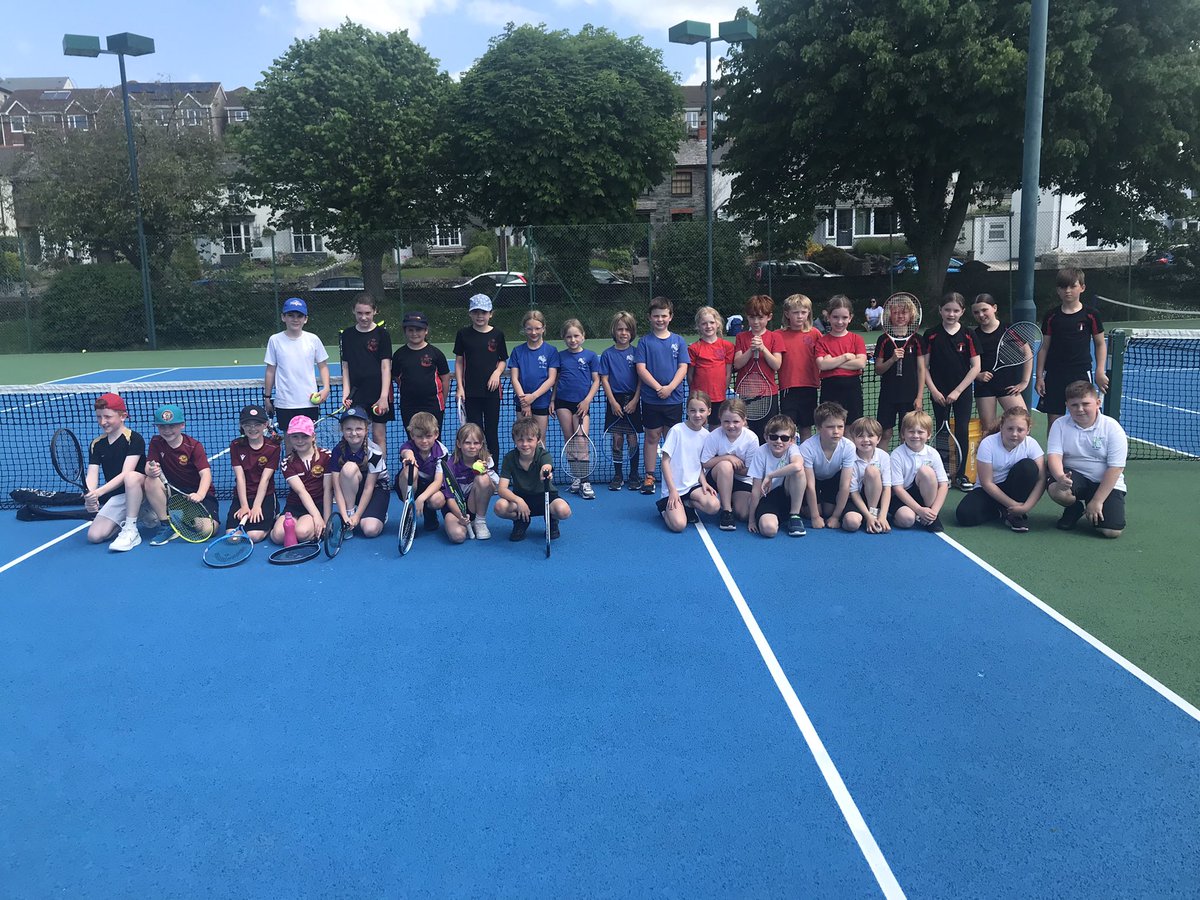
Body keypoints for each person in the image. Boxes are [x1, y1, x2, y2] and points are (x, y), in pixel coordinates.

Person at [1045, 380, 1127, 539]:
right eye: (1074, 405)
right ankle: (1074, 509)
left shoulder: (1112, 428)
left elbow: (1116, 468)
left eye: (1085, 404)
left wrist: (1097, 501)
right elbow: (1054, 456)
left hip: (1104, 483)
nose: (1080, 409)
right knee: (1058, 491)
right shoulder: (1059, 425)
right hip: (1075, 477)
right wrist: (1060, 477)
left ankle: (1094, 505)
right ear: (1067, 405)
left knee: (1111, 532)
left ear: (1098, 403)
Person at [1035, 268, 1107, 431]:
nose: (1067, 291)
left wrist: (1100, 371)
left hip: (1080, 372)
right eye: (1063, 287)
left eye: (1072, 286)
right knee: (1054, 423)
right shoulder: (1051, 316)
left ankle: (1086, 455)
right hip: (1054, 374)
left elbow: (1100, 344)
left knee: (1087, 418)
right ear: (1058, 290)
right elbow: (1044, 347)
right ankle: (1055, 456)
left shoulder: (1091, 315)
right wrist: (1039, 377)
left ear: (1082, 287)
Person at [923, 292, 981, 491]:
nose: (951, 314)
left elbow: (976, 367)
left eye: (956, 310)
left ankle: (962, 474)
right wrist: (934, 390)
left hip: (962, 392)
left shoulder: (968, 334)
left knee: (962, 430)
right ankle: (944, 474)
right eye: (947, 309)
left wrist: (957, 391)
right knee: (941, 430)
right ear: (940, 310)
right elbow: (924, 367)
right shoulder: (931, 334)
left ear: (962, 312)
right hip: (938, 392)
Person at [955, 406, 1045, 531]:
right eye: (1010, 429)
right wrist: (1012, 504)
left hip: (1014, 489)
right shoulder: (988, 443)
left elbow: (1041, 479)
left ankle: (1015, 515)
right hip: (989, 490)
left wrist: (1026, 507)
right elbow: (987, 483)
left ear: (1028, 430)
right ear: (1002, 426)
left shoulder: (1031, 444)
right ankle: (1002, 511)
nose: (1014, 434)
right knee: (964, 515)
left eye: (1020, 430)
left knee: (1028, 467)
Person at [634, 297, 689, 494]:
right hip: (651, 399)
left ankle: (672, 474)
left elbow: (683, 367)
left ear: (670, 317)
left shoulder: (679, 341)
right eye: (656, 316)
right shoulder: (644, 342)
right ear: (650, 317)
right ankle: (649, 475)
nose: (660, 319)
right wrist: (659, 388)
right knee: (652, 436)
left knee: (672, 437)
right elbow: (641, 369)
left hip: (674, 399)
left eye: (664, 316)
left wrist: (670, 388)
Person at [144, 403, 218, 546]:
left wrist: (200, 495)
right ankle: (167, 525)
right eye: (162, 427)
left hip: (197, 496)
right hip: (173, 493)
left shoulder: (193, 446)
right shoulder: (156, 442)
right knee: (150, 479)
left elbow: (206, 474)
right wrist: (150, 470)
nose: (167, 431)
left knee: (208, 530)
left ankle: (180, 516)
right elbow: (149, 465)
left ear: (182, 425)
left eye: (172, 426)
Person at [84, 392, 146, 551]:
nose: (102, 422)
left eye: (107, 416)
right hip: (119, 497)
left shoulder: (134, 439)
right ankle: (128, 520)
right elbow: (92, 474)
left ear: (123, 416)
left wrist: (99, 492)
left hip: (141, 492)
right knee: (94, 536)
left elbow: (126, 473)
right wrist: (90, 494)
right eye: (99, 417)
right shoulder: (96, 444)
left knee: (131, 477)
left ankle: (135, 524)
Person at [495, 417, 572, 542]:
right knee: (500, 507)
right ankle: (522, 521)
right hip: (522, 498)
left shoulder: (543, 455)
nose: (525, 444)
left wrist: (545, 472)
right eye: (520, 440)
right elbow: (502, 489)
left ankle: (552, 521)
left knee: (563, 511)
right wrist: (519, 501)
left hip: (545, 497)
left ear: (537, 440)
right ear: (514, 440)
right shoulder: (509, 458)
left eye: (529, 440)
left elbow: (546, 466)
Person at [454, 293, 508, 465]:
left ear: (490, 314)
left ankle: (493, 471)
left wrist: (497, 373)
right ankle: (476, 468)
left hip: (492, 393)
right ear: (470, 313)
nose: (480, 316)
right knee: (475, 434)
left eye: (484, 312)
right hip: (471, 392)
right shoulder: (463, 334)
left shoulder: (498, 335)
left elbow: (503, 361)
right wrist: (460, 387)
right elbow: (459, 361)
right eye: (476, 312)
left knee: (491, 432)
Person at [263, 297, 332, 433]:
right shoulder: (275, 340)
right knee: (289, 441)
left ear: (305, 319)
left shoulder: (313, 339)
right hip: (285, 403)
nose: (295, 319)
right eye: (290, 315)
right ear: (283, 317)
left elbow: (322, 365)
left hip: (309, 401)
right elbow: (271, 370)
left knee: (309, 440)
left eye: (299, 316)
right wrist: (267, 397)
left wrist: (326, 388)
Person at [657, 391, 721, 533]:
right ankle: (664, 508)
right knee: (678, 525)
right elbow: (665, 462)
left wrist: (704, 482)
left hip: (693, 487)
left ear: (709, 411)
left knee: (714, 506)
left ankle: (687, 504)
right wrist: (672, 490)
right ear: (687, 411)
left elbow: (698, 464)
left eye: (702, 410)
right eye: (693, 411)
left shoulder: (706, 436)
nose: (697, 415)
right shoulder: (676, 430)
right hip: (673, 489)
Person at [338, 293, 393, 455]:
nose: (363, 317)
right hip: (356, 394)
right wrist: (346, 393)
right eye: (359, 313)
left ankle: (381, 476)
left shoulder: (383, 335)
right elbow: (345, 366)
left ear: (375, 311)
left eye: (367, 313)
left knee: (378, 436)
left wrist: (383, 396)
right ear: (353, 312)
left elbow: (385, 367)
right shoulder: (346, 335)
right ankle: (361, 472)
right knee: (357, 437)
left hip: (377, 393)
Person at [552, 318, 601, 499]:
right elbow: (556, 381)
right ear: (564, 338)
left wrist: (587, 400)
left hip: (582, 405)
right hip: (562, 403)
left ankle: (585, 480)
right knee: (570, 441)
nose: (573, 340)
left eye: (576, 336)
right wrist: (552, 400)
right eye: (569, 337)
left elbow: (596, 380)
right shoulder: (560, 356)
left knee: (581, 440)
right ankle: (576, 477)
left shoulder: (590, 356)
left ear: (583, 336)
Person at [874, 291, 926, 452]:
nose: (900, 316)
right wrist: (892, 360)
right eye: (895, 312)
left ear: (911, 315)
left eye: (904, 312)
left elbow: (921, 369)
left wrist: (919, 397)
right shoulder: (883, 340)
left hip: (909, 396)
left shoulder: (917, 339)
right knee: (885, 432)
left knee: (908, 433)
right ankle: (880, 467)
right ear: (890, 315)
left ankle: (906, 468)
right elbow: (878, 369)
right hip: (888, 395)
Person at [971, 293, 1031, 432]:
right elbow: (968, 364)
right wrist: (977, 375)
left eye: (984, 310)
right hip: (984, 388)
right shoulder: (973, 335)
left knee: (1023, 425)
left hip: (1008, 386)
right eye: (976, 312)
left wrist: (1024, 382)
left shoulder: (1008, 330)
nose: (981, 315)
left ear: (994, 308)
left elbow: (1027, 353)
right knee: (988, 430)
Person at [598, 311, 643, 491]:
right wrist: (613, 402)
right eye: (620, 329)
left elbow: (641, 379)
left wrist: (635, 400)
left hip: (633, 399)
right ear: (614, 331)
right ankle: (618, 475)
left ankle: (634, 475)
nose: (623, 333)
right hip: (614, 400)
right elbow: (604, 380)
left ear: (632, 332)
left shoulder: (637, 352)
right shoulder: (607, 354)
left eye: (627, 329)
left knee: (633, 438)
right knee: (617, 439)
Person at [329, 405, 389, 538]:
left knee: (370, 530)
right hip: (351, 487)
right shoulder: (337, 451)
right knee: (349, 468)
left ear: (367, 430)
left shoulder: (375, 451)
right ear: (342, 430)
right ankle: (349, 516)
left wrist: (358, 516)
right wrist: (346, 516)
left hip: (376, 489)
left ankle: (377, 515)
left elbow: (369, 487)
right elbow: (337, 488)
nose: (354, 433)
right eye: (348, 429)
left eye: (359, 429)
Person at [701, 398, 761, 531]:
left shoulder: (751, 439)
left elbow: (749, 471)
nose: (731, 425)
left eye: (736, 421)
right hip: (717, 477)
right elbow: (705, 463)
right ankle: (727, 511)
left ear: (744, 420)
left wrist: (733, 467)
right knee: (725, 466)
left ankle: (731, 499)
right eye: (726, 421)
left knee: (743, 515)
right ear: (720, 419)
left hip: (742, 479)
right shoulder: (714, 436)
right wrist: (728, 458)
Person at [270, 414, 331, 544]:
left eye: (305, 436)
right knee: (278, 536)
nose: (300, 440)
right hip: (294, 506)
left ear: (313, 436)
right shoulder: (287, 463)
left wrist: (324, 519)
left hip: (317, 505)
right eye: (295, 436)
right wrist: (316, 517)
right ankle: (278, 521)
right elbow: (301, 491)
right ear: (289, 438)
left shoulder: (327, 457)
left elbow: (328, 491)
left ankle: (310, 529)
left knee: (302, 532)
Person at [731, 294, 784, 441]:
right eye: (752, 317)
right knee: (746, 435)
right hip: (746, 394)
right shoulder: (741, 337)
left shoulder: (775, 338)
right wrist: (751, 350)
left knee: (768, 435)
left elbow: (776, 364)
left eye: (760, 317)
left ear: (769, 317)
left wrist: (763, 349)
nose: (756, 322)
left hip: (768, 394)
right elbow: (737, 363)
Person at [746, 414, 807, 538]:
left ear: (792, 440)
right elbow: (756, 489)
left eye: (784, 438)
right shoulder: (761, 452)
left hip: (788, 494)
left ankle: (794, 515)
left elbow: (797, 466)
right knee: (769, 530)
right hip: (769, 497)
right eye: (774, 437)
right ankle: (779, 518)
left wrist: (770, 476)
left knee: (799, 472)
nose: (779, 441)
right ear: (766, 437)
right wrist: (751, 519)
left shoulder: (793, 449)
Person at [798, 401, 855, 530]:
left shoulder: (849, 447)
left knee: (828, 512)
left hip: (832, 479)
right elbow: (810, 485)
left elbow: (845, 485)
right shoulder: (807, 447)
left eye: (840, 427)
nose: (836, 431)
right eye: (830, 427)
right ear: (818, 428)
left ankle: (829, 507)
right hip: (814, 480)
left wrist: (835, 517)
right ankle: (802, 507)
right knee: (811, 513)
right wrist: (815, 517)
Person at [227, 404, 280, 544]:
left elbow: (265, 479)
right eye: (247, 424)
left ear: (265, 425)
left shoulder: (273, 448)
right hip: (242, 495)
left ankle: (273, 517)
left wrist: (256, 506)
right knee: (233, 538)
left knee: (254, 536)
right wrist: (244, 505)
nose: (252, 428)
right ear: (241, 425)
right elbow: (240, 477)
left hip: (265, 496)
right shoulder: (236, 445)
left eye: (257, 424)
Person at [889, 410, 948, 532]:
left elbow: (943, 485)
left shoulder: (933, 453)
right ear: (903, 434)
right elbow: (898, 489)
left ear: (929, 435)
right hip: (901, 496)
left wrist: (934, 511)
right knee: (906, 520)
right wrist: (918, 510)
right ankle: (912, 514)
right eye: (911, 431)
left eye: (920, 432)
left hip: (923, 495)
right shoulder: (896, 455)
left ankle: (931, 516)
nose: (915, 435)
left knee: (927, 471)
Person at [392, 311, 450, 433]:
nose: (414, 333)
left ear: (426, 331)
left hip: (433, 405)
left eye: (418, 330)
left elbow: (445, 378)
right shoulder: (399, 355)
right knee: (412, 440)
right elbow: (397, 378)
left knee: (433, 439)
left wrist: (442, 401)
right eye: (410, 330)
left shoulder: (436, 353)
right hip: (409, 405)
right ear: (405, 331)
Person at [774, 293, 822, 442]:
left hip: (809, 387)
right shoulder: (777, 335)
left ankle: (805, 463)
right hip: (788, 388)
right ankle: (790, 460)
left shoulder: (815, 334)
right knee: (788, 428)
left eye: (803, 312)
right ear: (787, 314)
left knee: (806, 427)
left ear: (809, 313)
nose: (800, 316)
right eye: (796, 312)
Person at [395, 410, 451, 533]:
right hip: (409, 487)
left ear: (436, 434)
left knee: (438, 500)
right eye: (419, 436)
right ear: (412, 435)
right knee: (411, 469)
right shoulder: (408, 447)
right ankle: (408, 513)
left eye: (428, 436)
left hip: (430, 487)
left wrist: (421, 499)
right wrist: (410, 457)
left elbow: (438, 482)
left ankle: (429, 513)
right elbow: (406, 452)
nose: (424, 441)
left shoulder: (442, 451)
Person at [508, 309, 559, 443]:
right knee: (523, 439)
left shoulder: (551, 351)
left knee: (539, 440)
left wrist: (533, 397)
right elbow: (514, 378)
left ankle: (541, 465)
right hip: (522, 403)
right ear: (524, 329)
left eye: (537, 328)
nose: (533, 332)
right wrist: (524, 402)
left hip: (542, 402)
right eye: (529, 329)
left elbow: (552, 379)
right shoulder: (517, 351)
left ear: (543, 328)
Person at [815, 295, 868, 424]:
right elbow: (822, 365)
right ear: (828, 317)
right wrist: (845, 357)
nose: (840, 322)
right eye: (835, 317)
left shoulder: (857, 339)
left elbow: (861, 363)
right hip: (830, 389)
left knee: (851, 428)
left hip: (852, 390)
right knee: (830, 427)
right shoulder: (822, 341)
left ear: (850, 318)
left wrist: (832, 362)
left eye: (844, 317)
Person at [442, 422, 497, 542]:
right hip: (454, 508)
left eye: (476, 443)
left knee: (483, 479)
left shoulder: (486, 460)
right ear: (459, 444)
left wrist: (485, 473)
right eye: (467, 442)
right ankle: (465, 524)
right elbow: (450, 499)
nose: (472, 446)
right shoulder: (451, 465)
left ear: (481, 444)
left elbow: (493, 488)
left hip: (473, 505)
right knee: (458, 536)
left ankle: (479, 521)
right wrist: (460, 516)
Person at [688, 306, 735, 431]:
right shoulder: (694, 348)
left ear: (717, 324)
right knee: (698, 427)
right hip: (700, 398)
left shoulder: (727, 346)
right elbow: (690, 376)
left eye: (711, 322)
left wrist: (721, 391)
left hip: (718, 397)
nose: (708, 326)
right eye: (704, 323)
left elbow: (728, 372)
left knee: (716, 429)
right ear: (698, 326)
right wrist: (696, 394)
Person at [843, 416, 892, 534]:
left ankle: (874, 514)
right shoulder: (850, 457)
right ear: (853, 439)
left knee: (872, 471)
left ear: (879, 439)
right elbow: (853, 492)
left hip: (875, 498)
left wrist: (883, 516)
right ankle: (868, 518)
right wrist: (868, 516)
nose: (865, 440)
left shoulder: (883, 456)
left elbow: (887, 488)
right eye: (860, 436)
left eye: (870, 436)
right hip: (856, 499)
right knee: (851, 523)